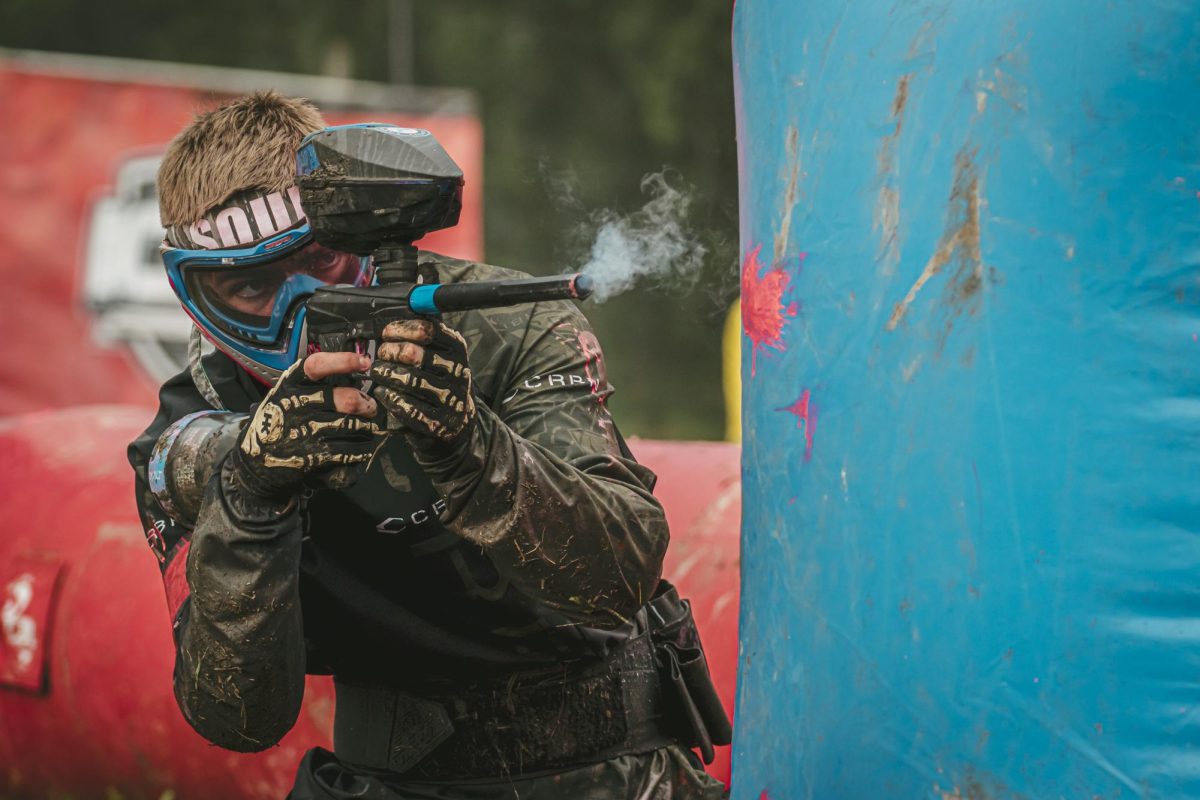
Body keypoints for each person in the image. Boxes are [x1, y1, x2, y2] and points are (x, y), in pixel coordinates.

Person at [127, 91, 728, 799]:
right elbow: (237, 716)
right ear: (194, 293)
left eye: (321, 261)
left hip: (613, 773)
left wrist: (469, 452)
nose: (299, 311)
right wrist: (253, 496)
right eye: (251, 286)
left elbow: (618, 577)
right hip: (396, 778)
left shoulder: (505, 329)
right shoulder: (192, 434)